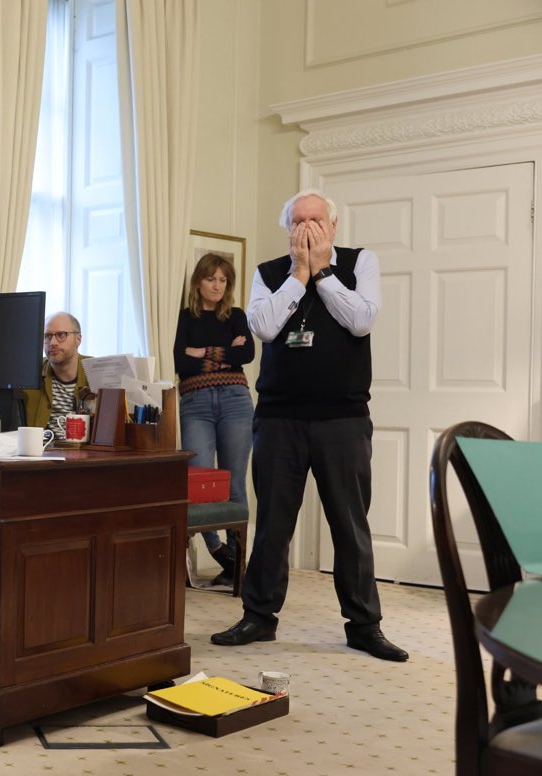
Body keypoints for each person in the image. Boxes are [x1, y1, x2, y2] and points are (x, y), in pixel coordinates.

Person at [210, 189, 408, 662]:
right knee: (273, 525)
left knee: (349, 524)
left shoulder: (361, 263)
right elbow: (264, 327)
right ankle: (259, 616)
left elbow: (361, 320)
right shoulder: (269, 273)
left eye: (315, 221)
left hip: (342, 419)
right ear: (288, 229)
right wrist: (299, 275)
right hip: (279, 418)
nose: (307, 230)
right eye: (298, 222)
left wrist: (321, 273)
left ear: (333, 227)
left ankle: (364, 625)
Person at [173, 252, 255, 587]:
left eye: (223, 280)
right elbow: (181, 361)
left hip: (236, 402)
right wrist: (224, 354)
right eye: (211, 279)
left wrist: (202, 353)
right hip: (195, 403)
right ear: (198, 281)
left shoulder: (235, 315)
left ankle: (239, 568)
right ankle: (221, 550)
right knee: (201, 484)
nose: (217, 286)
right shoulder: (183, 318)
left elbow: (246, 354)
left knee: (235, 483)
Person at [22, 311, 90, 441]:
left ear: (78, 339)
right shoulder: (30, 371)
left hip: (84, 456)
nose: (52, 342)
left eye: (61, 335)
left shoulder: (95, 372)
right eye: (47, 336)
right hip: (41, 453)